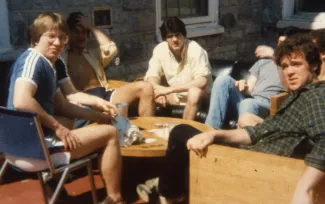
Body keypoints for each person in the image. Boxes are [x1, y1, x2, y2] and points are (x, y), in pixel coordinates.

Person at [138, 34, 325, 204]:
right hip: (250, 156)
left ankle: (168, 193)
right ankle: (169, 189)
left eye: (296, 64)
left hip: (252, 166)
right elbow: (255, 133)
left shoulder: (314, 96)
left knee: (180, 133)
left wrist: (305, 187)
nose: (289, 72)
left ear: (314, 65)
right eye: (284, 66)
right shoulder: (296, 97)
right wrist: (214, 135)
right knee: (190, 136)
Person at [6, 12, 124, 204]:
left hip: (15, 147)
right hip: (33, 150)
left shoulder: (50, 63)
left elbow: (63, 104)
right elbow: (22, 100)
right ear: (37, 38)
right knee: (110, 134)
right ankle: (115, 198)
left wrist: (97, 114)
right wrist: (58, 128)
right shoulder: (33, 60)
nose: (57, 42)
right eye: (51, 37)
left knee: (84, 123)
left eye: (62, 37)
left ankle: (54, 188)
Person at [63, 12, 155, 119]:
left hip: (105, 95)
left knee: (146, 87)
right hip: (84, 102)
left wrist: (91, 27)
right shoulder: (63, 58)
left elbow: (111, 48)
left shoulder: (92, 54)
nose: (81, 36)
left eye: (84, 32)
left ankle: (149, 130)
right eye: (76, 32)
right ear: (68, 34)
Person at [145, 16, 212, 120]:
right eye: (170, 36)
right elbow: (151, 77)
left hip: (201, 99)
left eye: (177, 35)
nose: (175, 39)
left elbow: (202, 81)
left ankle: (184, 132)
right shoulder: (160, 49)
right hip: (174, 97)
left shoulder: (195, 49)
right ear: (165, 38)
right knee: (146, 90)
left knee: (194, 93)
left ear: (183, 34)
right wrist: (159, 92)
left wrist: (169, 90)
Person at [205, 58, 283, 129]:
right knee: (222, 79)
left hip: (269, 104)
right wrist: (242, 84)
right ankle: (210, 130)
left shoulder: (289, 67)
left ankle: (240, 142)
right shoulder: (263, 62)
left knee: (248, 102)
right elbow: (249, 89)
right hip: (251, 100)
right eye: (280, 41)